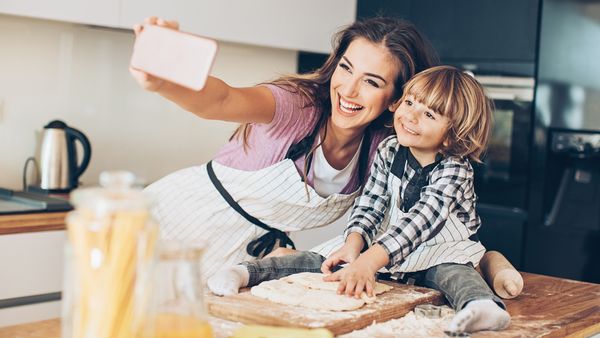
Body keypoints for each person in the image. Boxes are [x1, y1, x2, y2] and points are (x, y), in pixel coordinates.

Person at [207, 66, 510, 333]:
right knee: (323, 261)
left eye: (429, 114)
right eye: (410, 102)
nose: (411, 116)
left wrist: (368, 262)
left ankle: (483, 307)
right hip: (384, 243)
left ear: (450, 136)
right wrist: (353, 244)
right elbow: (372, 202)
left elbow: (422, 221)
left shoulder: (455, 169)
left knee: (454, 275)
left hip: (440, 248)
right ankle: (247, 272)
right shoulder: (390, 149)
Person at [130, 16, 439, 279]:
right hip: (172, 225)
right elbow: (221, 99)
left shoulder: (378, 151)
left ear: (397, 98)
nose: (348, 89)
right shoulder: (297, 105)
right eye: (346, 69)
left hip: (242, 257)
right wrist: (161, 82)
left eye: (371, 82)